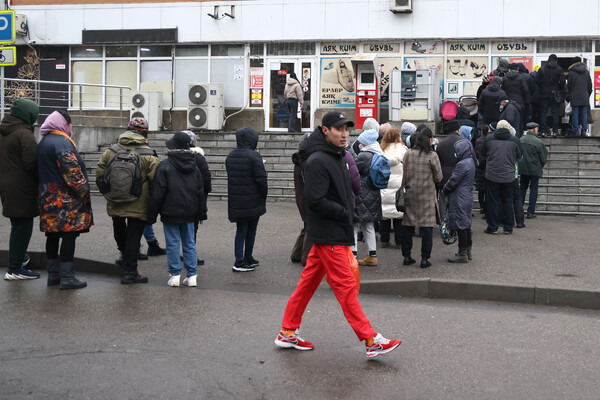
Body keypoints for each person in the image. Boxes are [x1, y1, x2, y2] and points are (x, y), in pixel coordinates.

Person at [274, 111, 401, 358]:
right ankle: (371, 339)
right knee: (345, 287)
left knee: (307, 285)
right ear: (325, 131)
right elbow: (314, 200)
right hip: (329, 233)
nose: (344, 134)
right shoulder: (319, 160)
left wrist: (347, 208)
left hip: (330, 232)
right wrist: (344, 211)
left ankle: (288, 332)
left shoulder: (338, 155)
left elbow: (348, 188)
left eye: (346, 130)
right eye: (338, 129)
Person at [96, 117, 160, 284]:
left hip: (115, 198)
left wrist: (108, 192)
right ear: (144, 133)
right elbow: (156, 180)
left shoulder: (111, 150)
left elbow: (100, 174)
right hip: (139, 201)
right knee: (134, 234)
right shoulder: (149, 153)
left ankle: (123, 255)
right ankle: (130, 272)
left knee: (118, 226)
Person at [37, 111, 93, 289]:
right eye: (69, 124)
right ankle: (67, 278)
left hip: (48, 199)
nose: (70, 128)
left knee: (52, 236)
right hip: (66, 202)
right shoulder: (62, 142)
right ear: (63, 123)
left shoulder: (44, 142)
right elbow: (72, 173)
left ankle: (53, 275)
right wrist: (84, 191)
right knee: (69, 236)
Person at [149, 131, 206, 287]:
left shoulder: (165, 166)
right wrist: (201, 212)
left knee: (172, 243)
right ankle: (192, 275)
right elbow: (200, 191)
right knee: (189, 243)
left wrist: (152, 213)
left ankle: (175, 275)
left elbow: (158, 192)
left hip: (170, 211)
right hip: (190, 211)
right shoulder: (194, 165)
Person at [0, 99, 41, 281]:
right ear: (29, 115)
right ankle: (15, 269)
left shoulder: (5, 131)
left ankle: (19, 258)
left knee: (17, 225)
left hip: (7, 186)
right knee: (22, 227)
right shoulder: (24, 134)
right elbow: (32, 163)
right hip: (22, 188)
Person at [225, 127, 268, 272]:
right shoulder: (254, 156)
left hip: (237, 201)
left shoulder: (231, 156)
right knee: (251, 230)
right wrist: (263, 195)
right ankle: (242, 260)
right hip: (253, 199)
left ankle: (242, 258)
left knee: (241, 230)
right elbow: (261, 179)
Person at [400, 127, 443, 268]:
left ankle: (407, 256)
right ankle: (425, 258)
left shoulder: (408, 154)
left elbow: (404, 176)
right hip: (427, 195)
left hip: (411, 194)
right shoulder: (432, 156)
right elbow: (439, 177)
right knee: (427, 228)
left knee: (407, 225)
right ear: (429, 140)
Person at [481, 122, 522, 234]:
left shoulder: (489, 139)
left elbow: (483, 153)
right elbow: (519, 157)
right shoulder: (514, 140)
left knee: (492, 201)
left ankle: (493, 227)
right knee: (508, 201)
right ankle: (508, 227)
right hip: (509, 176)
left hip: (492, 175)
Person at [351, 129, 384, 266]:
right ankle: (372, 255)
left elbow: (354, 172)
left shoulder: (364, 156)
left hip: (362, 193)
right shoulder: (379, 154)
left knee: (355, 225)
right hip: (374, 193)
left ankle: (352, 256)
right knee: (369, 225)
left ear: (364, 143)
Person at [443, 139, 476, 263]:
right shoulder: (470, 161)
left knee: (460, 224)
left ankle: (462, 253)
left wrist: (445, 190)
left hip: (459, 197)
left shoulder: (462, 164)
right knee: (466, 223)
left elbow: (453, 181)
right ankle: (467, 250)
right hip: (467, 195)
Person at [185, 130, 212, 265]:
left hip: (176, 199)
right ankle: (190, 256)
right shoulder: (198, 158)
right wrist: (205, 193)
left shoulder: (173, 157)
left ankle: (182, 254)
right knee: (192, 228)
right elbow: (206, 178)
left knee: (177, 230)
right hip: (194, 199)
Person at [379, 128, 407, 249]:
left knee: (384, 213)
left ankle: (384, 240)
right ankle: (399, 240)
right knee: (398, 213)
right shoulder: (404, 150)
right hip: (398, 185)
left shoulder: (381, 150)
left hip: (384, 184)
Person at [519, 122, 548, 219]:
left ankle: (519, 209)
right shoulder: (538, 142)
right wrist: (540, 166)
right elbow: (543, 158)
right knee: (533, 189)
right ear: (535, 130)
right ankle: (531, 211)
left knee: (522, 188)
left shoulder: (521, 140)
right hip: (535, 169)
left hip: (523, 168)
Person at [436, 120, 462, 223]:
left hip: (444, 176)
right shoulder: (463, 142)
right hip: (459, 176)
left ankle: (444, 223)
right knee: (458, 202)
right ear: (458, 130)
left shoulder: (441, 144)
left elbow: (437, 161)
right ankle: (456, 222)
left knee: (443, 201)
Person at [536, 54, 566, 136]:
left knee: (543, 112)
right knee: (555, 112)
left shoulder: (542, 69)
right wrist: (558, 88)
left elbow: (537, 80)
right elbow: (563, 82)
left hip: (544, 93)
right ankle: (555, 131)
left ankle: (543, 131)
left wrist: (543, 87)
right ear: (556, 60)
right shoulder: (559, 69)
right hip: (555, 93)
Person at [567, 56, 593, 137]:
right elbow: (590, 85)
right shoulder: (586, 72)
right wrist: (587, 94)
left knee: (575, 113)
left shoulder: (571, 72)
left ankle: (576, 131)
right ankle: (584, 131)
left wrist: (570, 93)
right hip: (584, 96)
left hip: (574, 96)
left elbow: (569, 85)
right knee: (584, 114)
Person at [501, 63, 530, 133]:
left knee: (508, 120)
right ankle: (518, 136)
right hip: (519, 103)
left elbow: (502, 90)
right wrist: (527, 101)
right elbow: (525, 90)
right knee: (519, 121)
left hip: (508, 103)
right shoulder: (521, 78)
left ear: (509, 69)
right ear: (518, 69)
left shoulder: (504, 78)